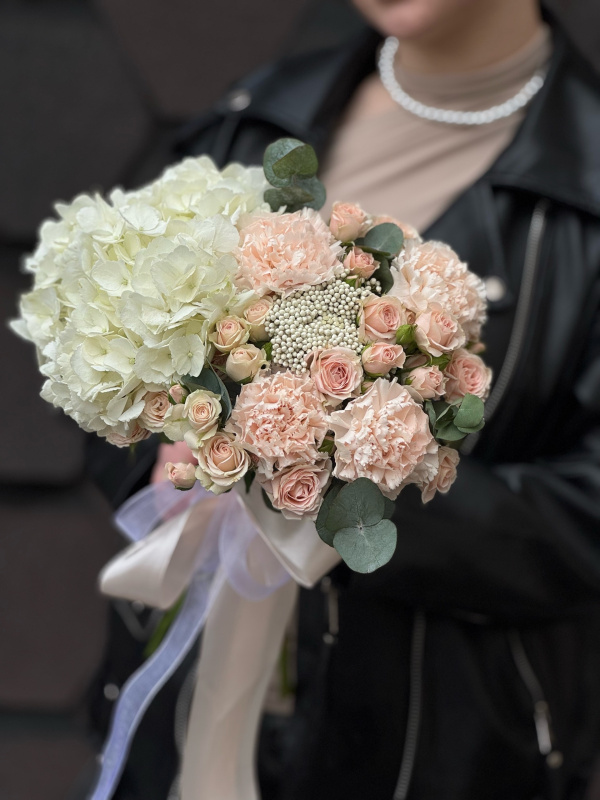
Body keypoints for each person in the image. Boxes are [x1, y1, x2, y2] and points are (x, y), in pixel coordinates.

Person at [92, 1, 600, 798]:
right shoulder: (253, 121)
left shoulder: (583, 179)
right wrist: (174, 447)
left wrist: (351, 505)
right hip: (174, 727)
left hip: (436, 753)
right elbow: (108, 370)